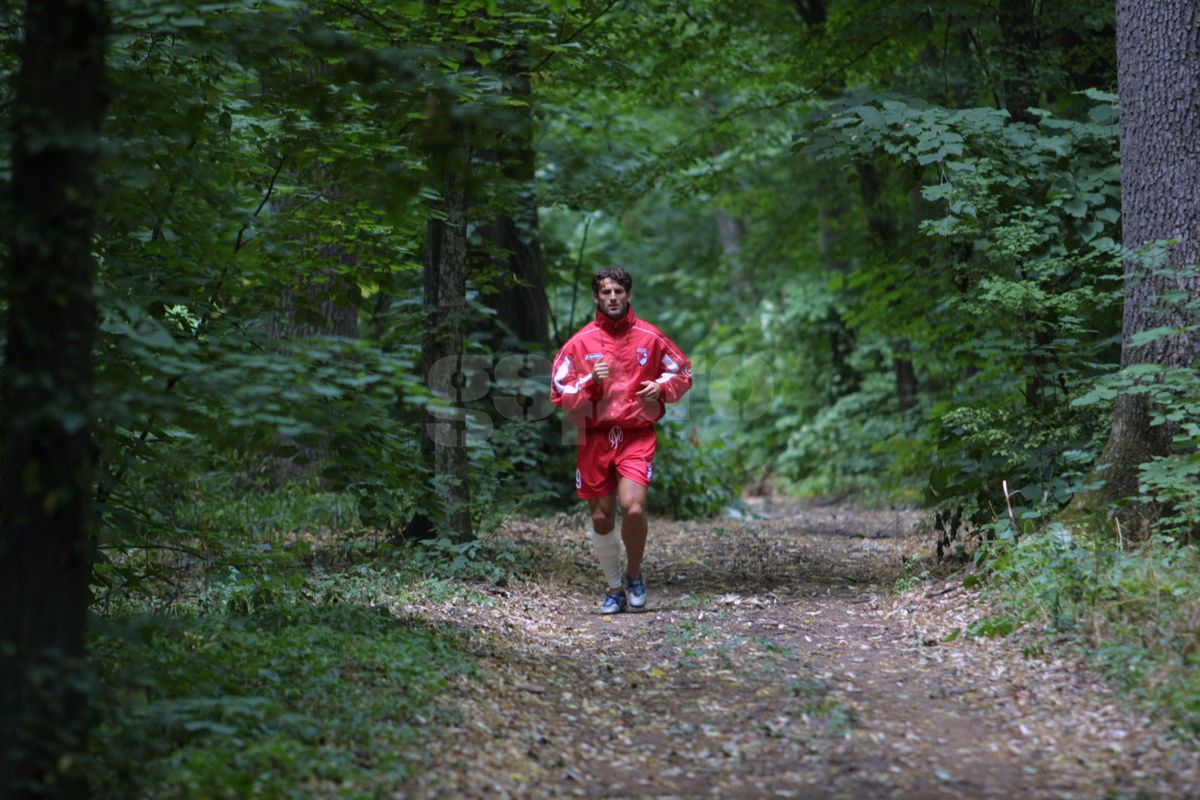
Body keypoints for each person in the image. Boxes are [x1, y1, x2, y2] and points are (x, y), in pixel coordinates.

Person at [550, 267, 693, 614]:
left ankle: (634, 575)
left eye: (618, 291)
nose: (612, 297)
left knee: (633, 507)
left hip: (635, 434)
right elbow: (558, 389)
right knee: (601, 518)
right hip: (595, 436)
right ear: (596, 297)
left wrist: (661, 387)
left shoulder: (650, 336)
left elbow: (683, 371)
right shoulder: (580, 342)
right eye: (605, 292)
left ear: (628, 295)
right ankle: (614, 588)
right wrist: (587, 381)